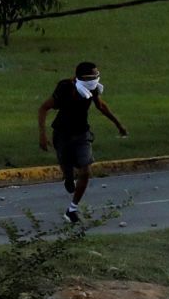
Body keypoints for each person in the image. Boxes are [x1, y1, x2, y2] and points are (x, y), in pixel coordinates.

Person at [37, 62, 127, 223]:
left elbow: (101, 106)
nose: (94, 80)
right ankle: (68, 176)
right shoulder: (65, 88)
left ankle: (72, 209)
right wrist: (42, 135)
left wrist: (118, 124)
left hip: (82, 134)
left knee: (85, 170)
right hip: (62, 134)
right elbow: (44, 108)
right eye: (91, 77)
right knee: (68, 171)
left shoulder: (92, 88)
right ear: (80, 77)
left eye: (96, 76)